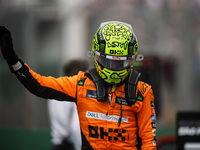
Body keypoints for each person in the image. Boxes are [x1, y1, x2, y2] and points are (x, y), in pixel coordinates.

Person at [0, 21, 157, 150]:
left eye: (119, 62)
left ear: (132, 60)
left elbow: (149, 141)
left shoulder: (142, 91)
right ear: (96, 56)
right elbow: (39, 85)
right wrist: (12, 59)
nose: (114, 67)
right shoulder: (81, 84)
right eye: (109, 61)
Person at [48, 60, 89, 150]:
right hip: (70, 144)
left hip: (58, 143)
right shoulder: (76, 91)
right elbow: (75, 126)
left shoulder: (56, 88)